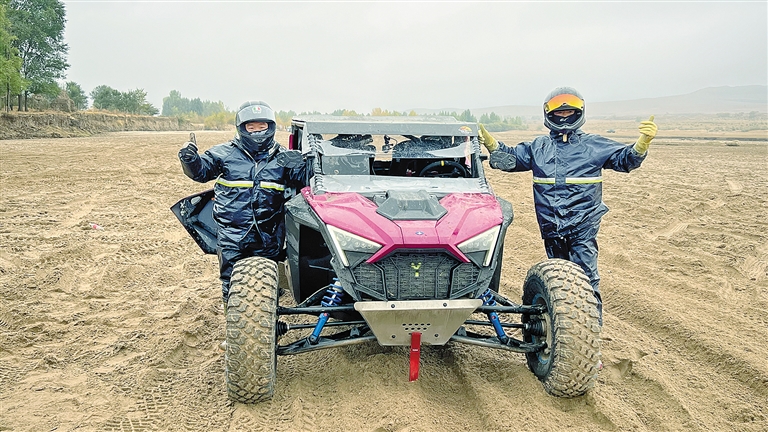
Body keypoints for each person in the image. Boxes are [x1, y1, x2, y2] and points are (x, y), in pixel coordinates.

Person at [477, 87, 657, 326]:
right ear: (548, 114)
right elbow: (510, 160)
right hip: (551, 227)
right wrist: (491, 144)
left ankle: (590, 332)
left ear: (579, 112)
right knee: (559, 282)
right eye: (559, 112)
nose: (564, 116)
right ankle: (564, 329)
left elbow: (625, 159)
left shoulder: (594, 145)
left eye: (569, 112)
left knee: (585, 279)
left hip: (583, 226)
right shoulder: (538, 147)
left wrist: (642, 144)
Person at [178, 100, 308, 304]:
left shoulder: (284, 158)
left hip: (269, 233)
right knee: (231, 283)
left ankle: (269, 316)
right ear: (241, 128)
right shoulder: (223, 153)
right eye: (251, 127)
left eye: (262, 126)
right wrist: (190, 160)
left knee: (268, 283)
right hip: (232, 233)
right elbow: (201, 172)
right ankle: (232, 319)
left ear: (271, 126)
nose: (257, 131)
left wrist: (312, 160)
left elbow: (307, 180)